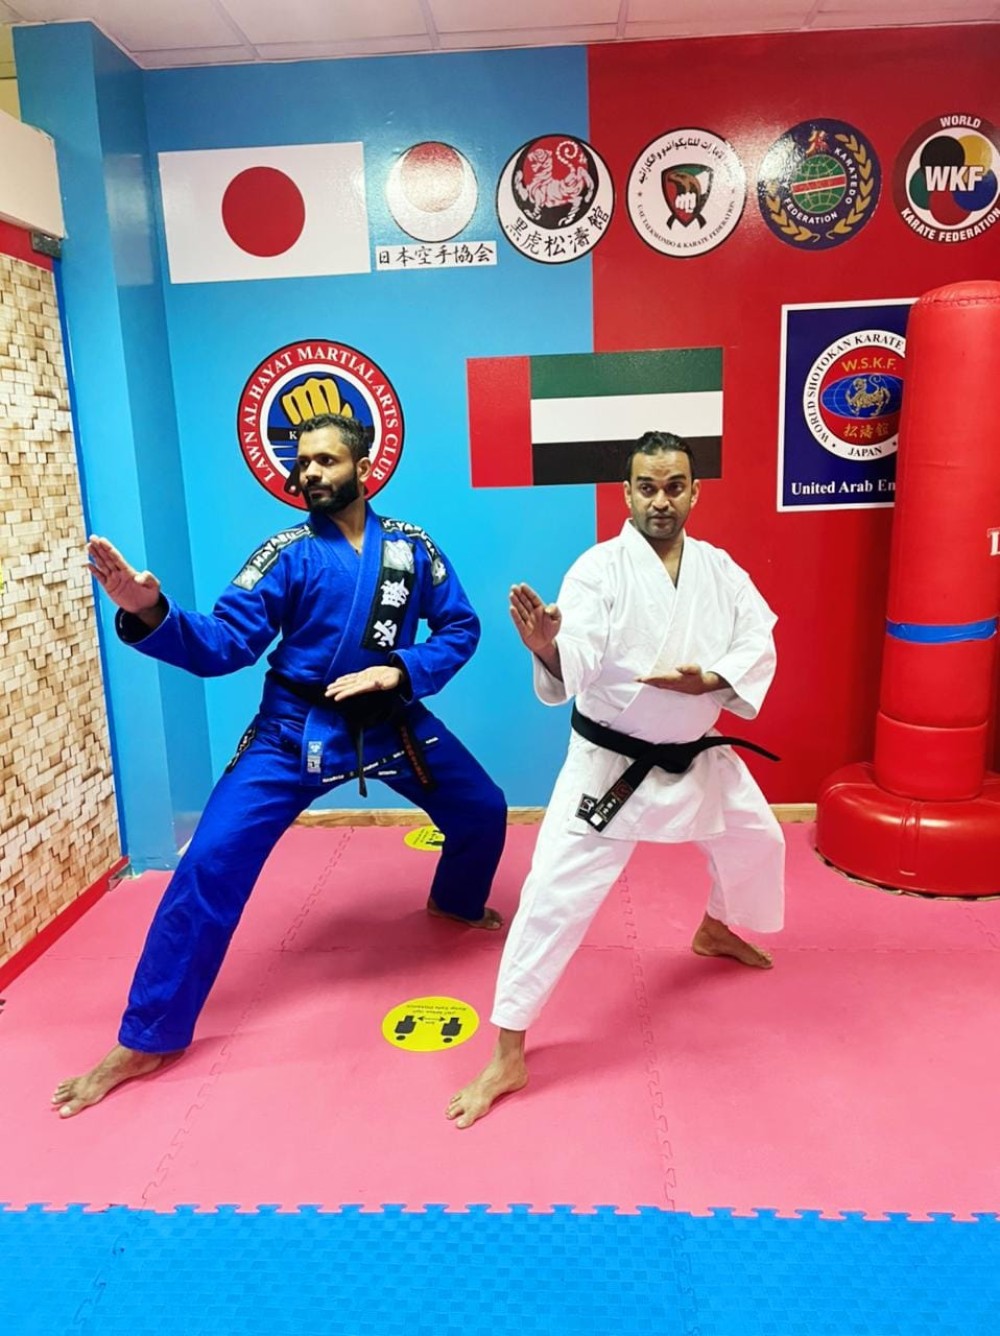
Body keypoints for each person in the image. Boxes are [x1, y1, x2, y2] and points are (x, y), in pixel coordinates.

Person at [53, 412, 506, 1118]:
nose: (310, 473)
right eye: (303, 463)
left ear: (364, 467)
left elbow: (461, 627)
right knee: (209, 864)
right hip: (295, 730)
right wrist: (150, 612)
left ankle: (455, 900)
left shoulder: (413, 548)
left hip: (390, 720)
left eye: (327, 460)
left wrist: (400, 670)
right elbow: (224, 643)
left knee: (481, 807)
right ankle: (148, 1035)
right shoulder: (284, 554)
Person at [448, 431, 784, 1128]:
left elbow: (757, 640)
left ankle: (715, 928)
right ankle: (508, 1052)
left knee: (759, 841)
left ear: (694, 492)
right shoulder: (599, 570)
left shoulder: (720, 571)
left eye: (674, 486)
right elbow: (578, 646)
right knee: (551, 896)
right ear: (627, 493)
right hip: (612, 770)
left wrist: (711, 680)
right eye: (647, 487)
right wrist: (549, 647)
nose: (661, 500)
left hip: (696, 755)